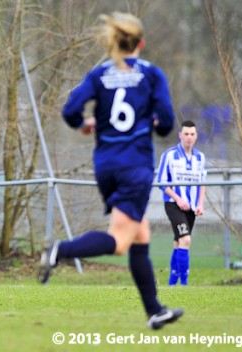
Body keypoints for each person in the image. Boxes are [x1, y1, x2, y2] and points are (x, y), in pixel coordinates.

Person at [38, 12, 183, 330]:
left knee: (139, 234)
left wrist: (85, 124)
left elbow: (70, 111)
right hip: (135, 166)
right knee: (119, 240)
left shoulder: (100, 74)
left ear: (113, 44)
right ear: (141, 44)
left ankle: (154, 310)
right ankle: (60, 251)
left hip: (106, 165)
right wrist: (155, 123)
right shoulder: (151, 75)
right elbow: (168, 122)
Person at [156, 120, 206, 286]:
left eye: (192, 134)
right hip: (173, 204)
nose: (189, 137)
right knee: (186, 240)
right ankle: (184, 284)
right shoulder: (169, 155)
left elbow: (202, 183)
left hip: (191, 207)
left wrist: (200, 204)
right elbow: (162, 182)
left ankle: (172, 283)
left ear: (196, 136)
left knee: (179, 242)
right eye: (186, 134)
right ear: (180, 135)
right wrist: (178, 199)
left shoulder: (200, 157)